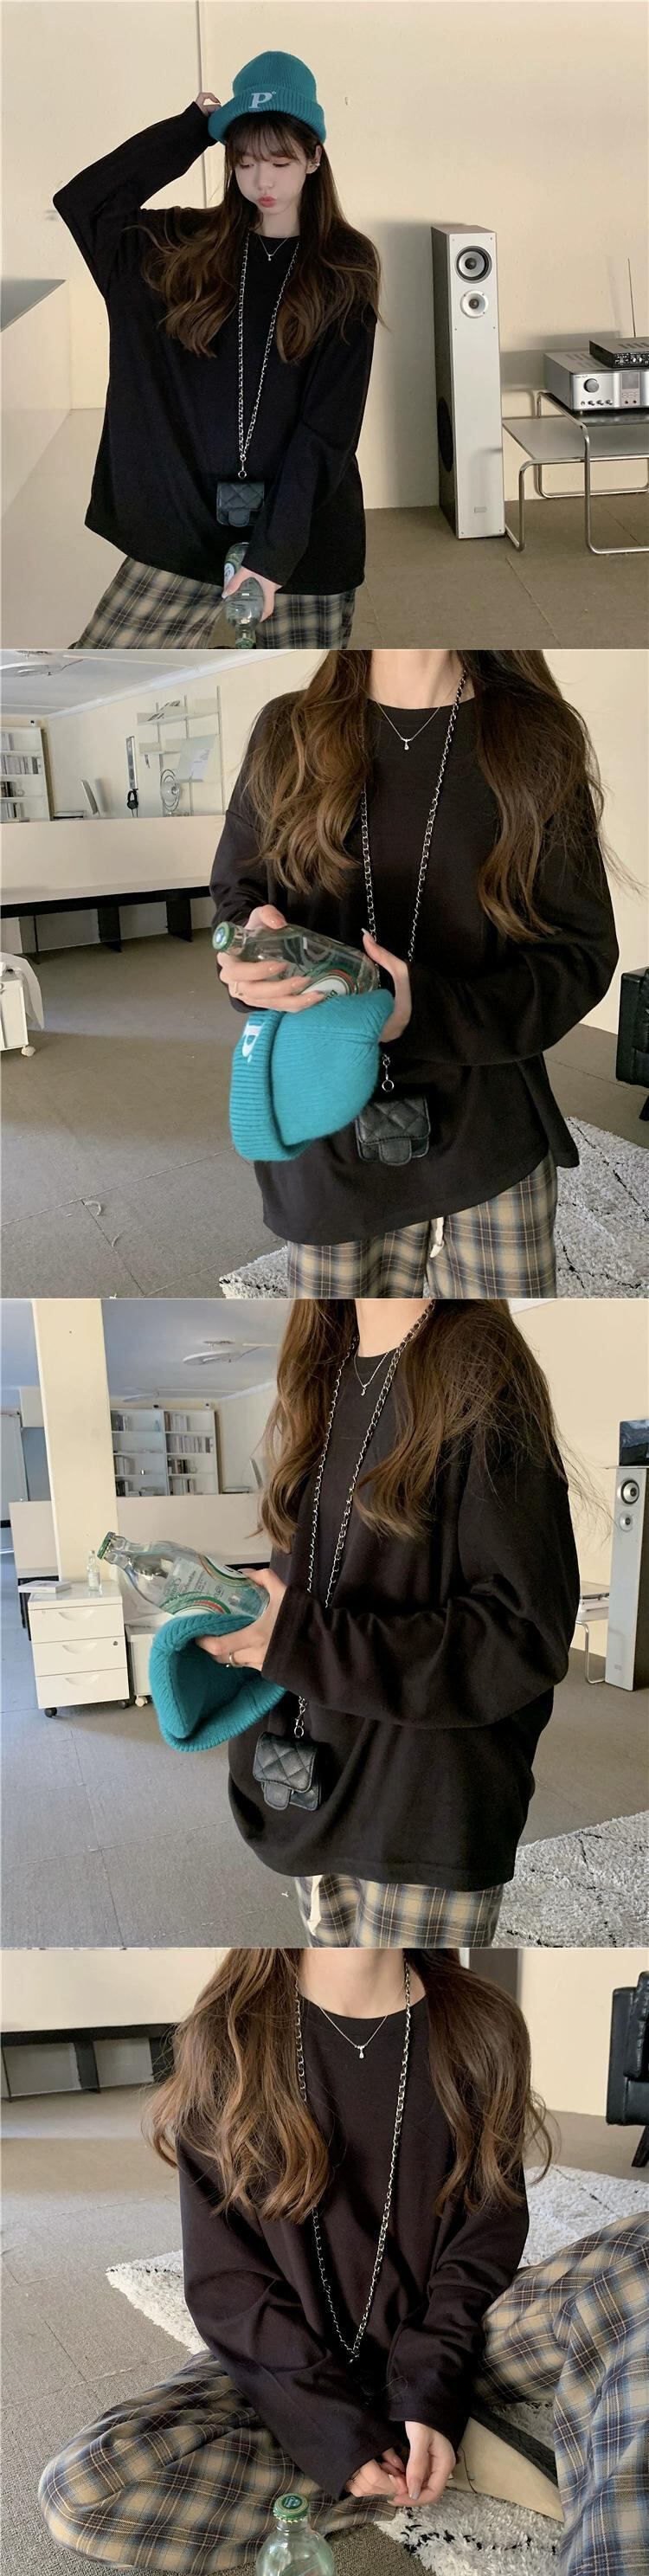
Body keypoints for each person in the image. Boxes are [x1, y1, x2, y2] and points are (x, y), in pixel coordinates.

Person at [37, 1949, 648, 2576]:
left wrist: (430, 2382)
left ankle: (598, 2566)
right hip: (294, 2364)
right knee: (85, 2492)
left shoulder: (480, 2023)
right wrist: (333, 2434)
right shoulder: (226, 2039)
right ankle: (434, 2459)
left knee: (637, 2257)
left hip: (465, 2339)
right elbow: (230, 2287)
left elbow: (483, 2242)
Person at [211, 646, 620, 1297]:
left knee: (491, 1344)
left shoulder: (535, 735)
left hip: (487, 1117)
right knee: (343, 1341)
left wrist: (422, 1010)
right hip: (325, 1108)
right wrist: (250, 953)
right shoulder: (287, 731)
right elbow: (240, 891)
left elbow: (579, 953)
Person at [201, 1295, 581, 1948]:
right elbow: (310, 1586)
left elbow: (521, 1633)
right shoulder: (317, 1373)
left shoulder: (476, 1364)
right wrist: (246, 1627)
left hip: (419, 1811)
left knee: (415, 2004)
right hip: (309, 1790)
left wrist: (297, 1639)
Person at [54, 55, 379, 649]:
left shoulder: (346, 264)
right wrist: (190, 131)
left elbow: (329, 427)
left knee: (301, 683)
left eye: (280, 162)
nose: (262, 182)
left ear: (314, 157)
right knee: (103, 666)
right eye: (245, 162)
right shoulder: (178, 246)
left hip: (302, 532)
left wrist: (272, 558)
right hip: (182, 524)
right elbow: (84, 203)